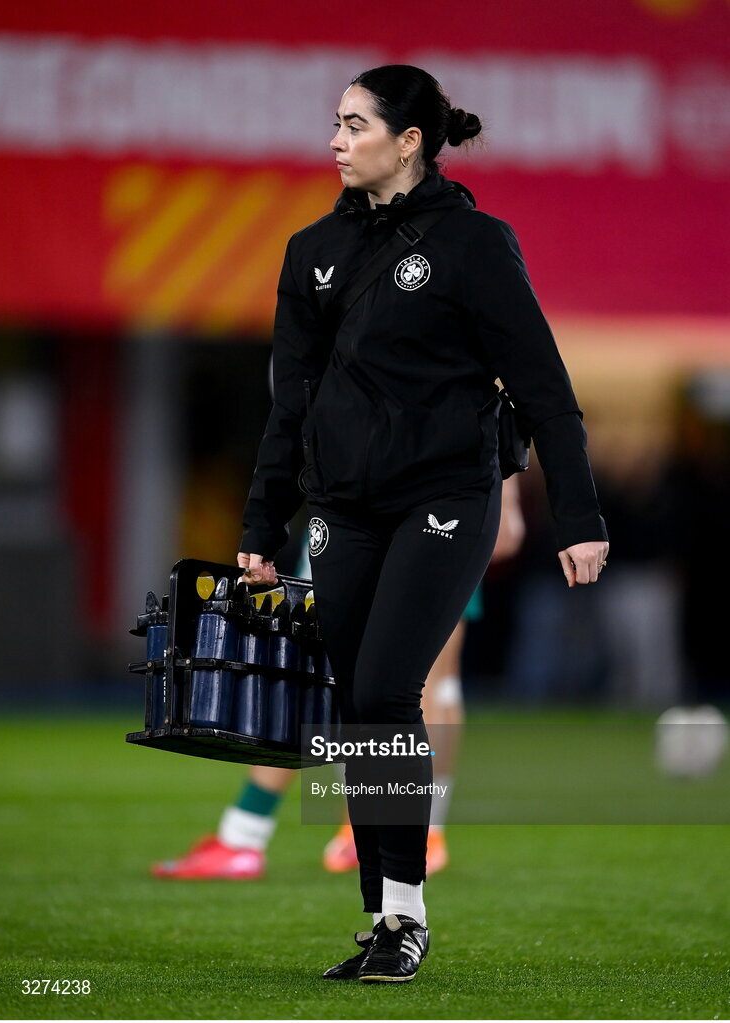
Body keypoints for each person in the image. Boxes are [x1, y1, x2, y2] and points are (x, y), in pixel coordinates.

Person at [236, 64, 609, 984]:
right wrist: (260, 524)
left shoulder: (477, 243)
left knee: (389, 688)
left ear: (408, 142)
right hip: (344, 506)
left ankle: (405, 915)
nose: (334, 140)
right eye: (333, 121)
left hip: (446, 495)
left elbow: (545, 393)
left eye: (354, 124)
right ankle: (381, 917)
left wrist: (579, 517)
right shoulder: (308, 251)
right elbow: (290, 408)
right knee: (358, 707)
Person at [150, 476, 525, 881]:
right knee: (330, 667)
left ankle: (251, 836)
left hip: (411, 511)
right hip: (386, 512)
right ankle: (391, 828)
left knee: (399, 674)